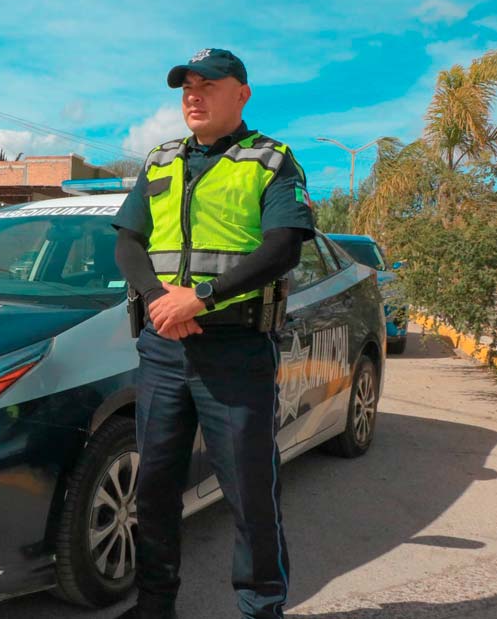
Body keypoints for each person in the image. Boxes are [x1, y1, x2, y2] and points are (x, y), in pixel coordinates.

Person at [112, 48, 315, 619]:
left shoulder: (271, 161)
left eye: (208, 85)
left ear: (242, 93)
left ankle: (260, 608)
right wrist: (159, 301)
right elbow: (128, 240)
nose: (193, 96)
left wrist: (200, 297)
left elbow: (283, 245)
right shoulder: (160, 161)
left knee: (250, 492)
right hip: (163, 349)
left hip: (235, 352)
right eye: (186, 88)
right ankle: (155, 605)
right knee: (152, 488)